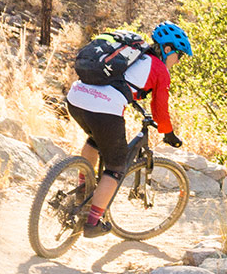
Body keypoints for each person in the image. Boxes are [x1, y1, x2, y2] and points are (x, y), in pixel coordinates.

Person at [65, 21, 191, 237]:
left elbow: (121, 82)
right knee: (116, 167)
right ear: (168, 49)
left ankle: (82, 191)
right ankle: (93, 221)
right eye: (179, 55)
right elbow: (160, 108)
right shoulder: (160, 69)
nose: (178, 61)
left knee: (95, 140)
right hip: (103, 107)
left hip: (76, 97)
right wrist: (168, 133)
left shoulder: (133, 53)